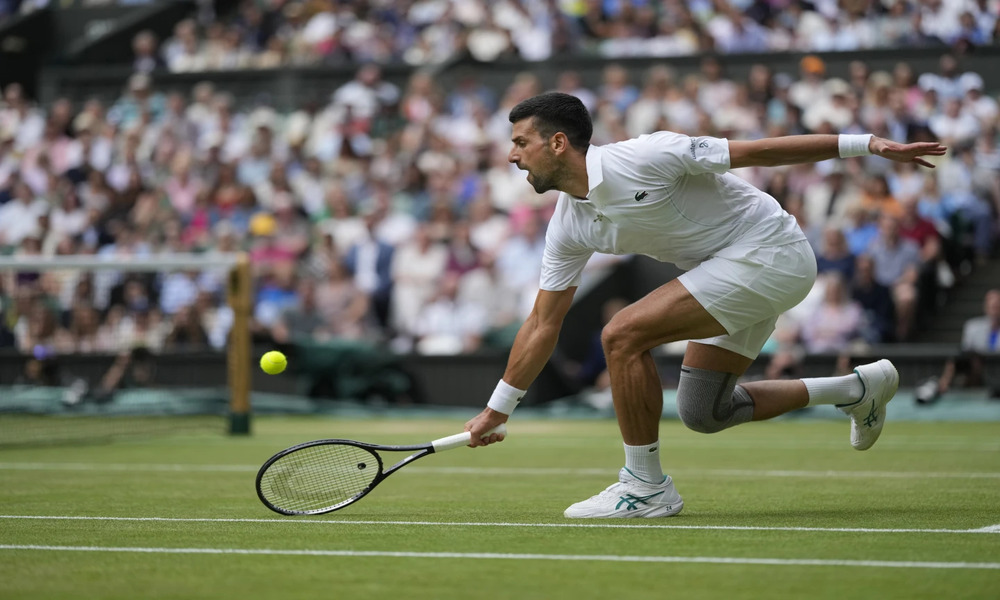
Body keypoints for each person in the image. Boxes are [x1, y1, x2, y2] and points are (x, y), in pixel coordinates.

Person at [463, 92, 947, 518]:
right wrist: (497, 410)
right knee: (705, 411)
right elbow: (543, 323)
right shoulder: (569, 225)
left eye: (520, 142)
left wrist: (868, 144)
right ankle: (856, 389)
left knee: (622, 333)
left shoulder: (647, 154)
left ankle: (645, 487)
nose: (512, 156)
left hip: (772, 251)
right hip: (729, 272)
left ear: (558, 143)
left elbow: (760, 151)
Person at [915, 289, 1000, 403]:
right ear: (985, 307)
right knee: (960, 358)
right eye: (992, 306)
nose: (994, 310)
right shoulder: (972, 326)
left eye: (997, 306)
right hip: (977, 367)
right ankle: (940, 386)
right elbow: (965, 352)